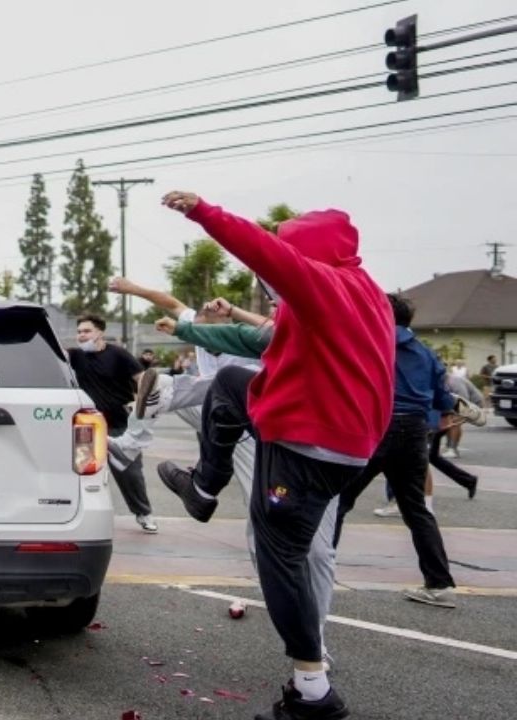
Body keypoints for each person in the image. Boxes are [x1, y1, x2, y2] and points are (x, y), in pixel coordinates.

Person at [156, 191, 394, 720]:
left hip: (307, 450)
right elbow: (253, 339)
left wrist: (202, 211)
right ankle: (204, 485)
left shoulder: (321, 285)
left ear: (305, 258)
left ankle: (313, 692)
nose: (270, 290)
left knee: (281, 558)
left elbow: (262, 251)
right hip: (346, 449)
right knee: (230, 383)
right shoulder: (367, 293)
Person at [114, 279, 342, 672]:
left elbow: (270, 332)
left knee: (313, 550)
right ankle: (144, 434)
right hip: (227, 425)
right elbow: (166, 298)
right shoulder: (208, 328)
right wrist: (131, 288)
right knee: (208, 390)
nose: (213, 340)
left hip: (273, 432)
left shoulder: (265, 342)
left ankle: (314, 640)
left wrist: (234, 315)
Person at [335, 294, 462, 609]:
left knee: (337, 502)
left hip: (377, 427)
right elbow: (444, 402)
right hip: (415, 432)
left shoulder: (369, 343)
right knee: (416, 509)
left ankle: (315, 571)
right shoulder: (426, 353)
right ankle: (439, 583)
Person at [67, 314, 158, 534]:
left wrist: (141, 403)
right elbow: (51, 353)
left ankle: (144, 514)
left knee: (131, 474)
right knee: (84, 472)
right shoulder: (75, 356)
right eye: (79, 332)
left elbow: (144, 379)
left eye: (86, 331)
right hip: (88, 428)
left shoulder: (118, 354)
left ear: (100, 332)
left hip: (120, 426)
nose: (81, 336)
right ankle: (82, 517)